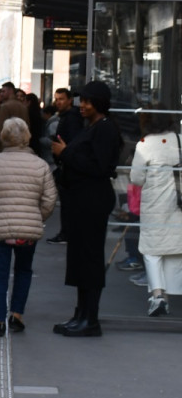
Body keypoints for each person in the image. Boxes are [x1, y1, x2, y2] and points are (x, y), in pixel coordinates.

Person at [50, 81, 122, 337]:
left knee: (89, 260)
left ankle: (90, 319)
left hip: (92, 202)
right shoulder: (93, 127)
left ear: (99, 103)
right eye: (83, 101)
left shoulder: (105, 130)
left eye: (88, 102)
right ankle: (81, 314)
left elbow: (100, 168)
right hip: (83, 202)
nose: (83, 106)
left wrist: (66, 153)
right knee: (81, 259)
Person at [0, 117, 57, 336]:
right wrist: (35, 217)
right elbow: (50, 200)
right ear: (27, 137)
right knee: (23, 270)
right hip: (27, 232)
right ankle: (17, 315)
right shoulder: (40, 165)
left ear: (3, 137)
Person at [128, 109, 182, 316]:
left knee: (152, 250)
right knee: (175, 246)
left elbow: (136, 178)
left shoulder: (145, 144)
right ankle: (170, 293)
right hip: (178, 203)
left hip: (155, 205)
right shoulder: (179, 139)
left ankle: (159, 295)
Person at [46, 87, 84, 245]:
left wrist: (64, 152)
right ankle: (66, 232)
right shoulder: (65, 116)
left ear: (69, 100)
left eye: (61, 99)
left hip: (68, 164)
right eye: (56, 99)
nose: (58, 102)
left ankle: (67, 233)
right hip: (64, 163)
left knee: (68, 203)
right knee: (66, 202)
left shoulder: (72, 118)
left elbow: (73, 141)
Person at [0, 84, 29, 155]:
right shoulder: (23, 107)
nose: (1, 94)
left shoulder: (5, 107)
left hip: (6, 149)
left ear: (10, 91)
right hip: (21, 148)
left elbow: (0, 129)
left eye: (3, 91)